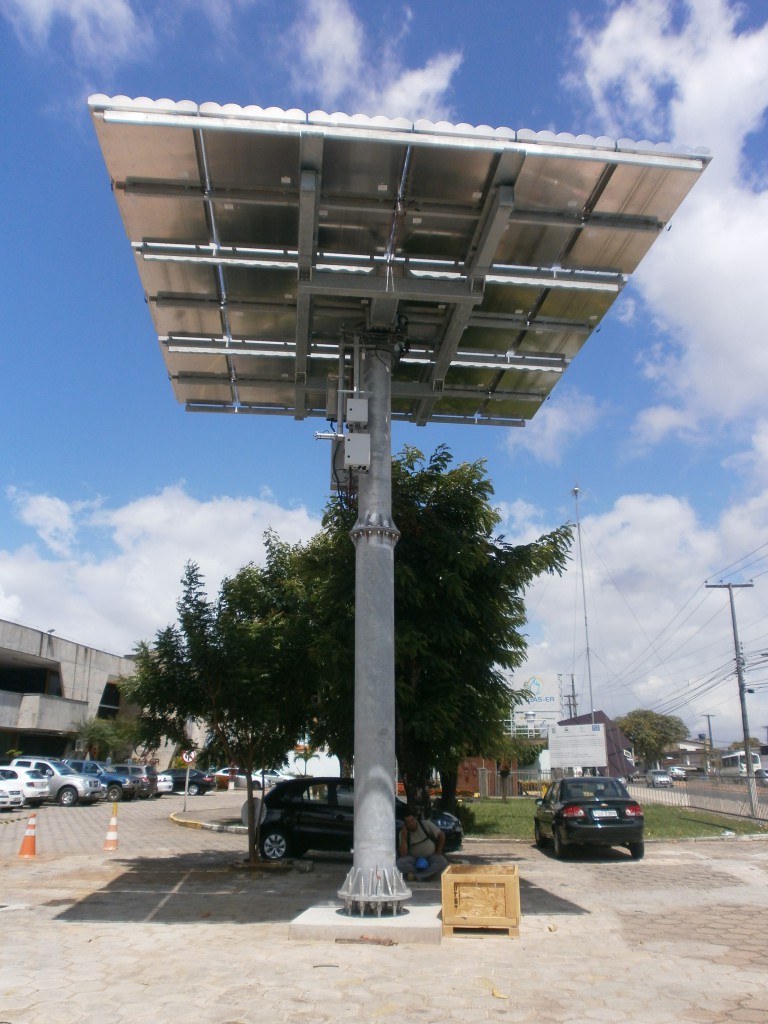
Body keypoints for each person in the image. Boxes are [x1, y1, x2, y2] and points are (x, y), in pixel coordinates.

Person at [396, 809, 448, 881]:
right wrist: (404, 837)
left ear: (416, 819)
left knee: (443, 862)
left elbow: (441, 835)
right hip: (414, 860)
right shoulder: (403, 833)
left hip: (430, 857)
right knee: (399, 863)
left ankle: (417, 876)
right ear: (405, 824)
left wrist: (439, 852)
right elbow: (403, 855)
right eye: (408, 822)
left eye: (412, 820)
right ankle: (427, 874)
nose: (411, 824)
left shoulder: (425, 824)